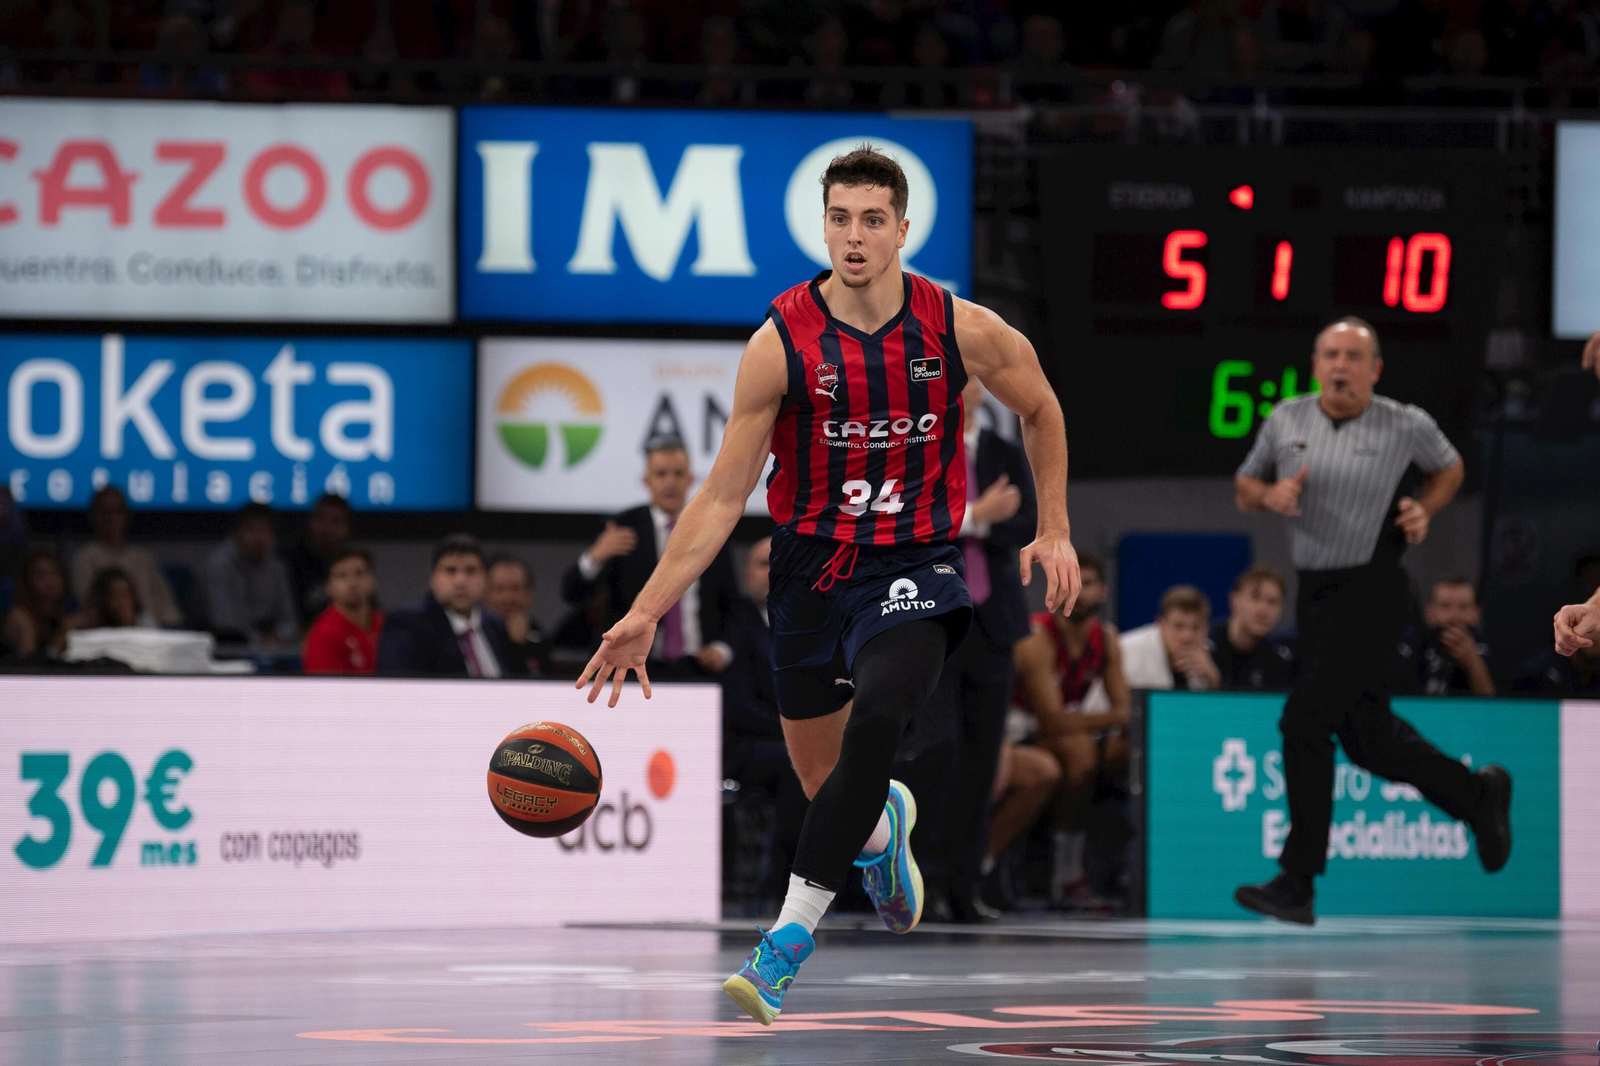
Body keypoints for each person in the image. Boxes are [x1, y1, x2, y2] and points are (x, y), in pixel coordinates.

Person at [574, 146, 1080, 1025]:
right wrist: (645, 610)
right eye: (840, 218)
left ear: (901, 230)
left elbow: (1041, 407)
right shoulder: (778, 343)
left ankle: (784, 945)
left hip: (915, 561)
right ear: (825, 226)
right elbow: (723, 497)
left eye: (872, 219)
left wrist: (1054, 526)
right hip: (809, 569)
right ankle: (884, 836)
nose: (855, 235)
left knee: (884, 712)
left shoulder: (960, 328)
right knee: (827, 781)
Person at [1232, 316, 1511, 926]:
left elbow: (1451, 469)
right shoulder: (1287, 419)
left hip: (1375, 588)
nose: (1341, 366)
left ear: (1375, 369)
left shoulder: (1403, 421)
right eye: (1330, 354)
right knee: (1370, 742)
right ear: (1314, 363)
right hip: (1315, 593)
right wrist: (1269, 496)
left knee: (1303, 721)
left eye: (1354, 357)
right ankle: (1477, 795)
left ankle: (1297, 881)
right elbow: (1244, 485)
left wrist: (1424, 508)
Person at [911, 377, 1037, 923]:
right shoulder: (916, 445)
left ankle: (965, 883)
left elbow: (1026, 521)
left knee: (984, 756)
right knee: (938, 747)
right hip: (934, 616)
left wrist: (971, 523)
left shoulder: (1007, 452)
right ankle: (926, 876)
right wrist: (978, 516)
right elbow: (911, 525)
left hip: (994, 622)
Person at [1012, 554, 1133, 908]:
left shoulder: (1106, 638)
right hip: (1018, 731)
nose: (1078, 591)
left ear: (1104, 591)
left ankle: (1102, 867)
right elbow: (1050, 720)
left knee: (1124, 751)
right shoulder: (1037, 637)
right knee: (1080, 750)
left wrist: (1112, 722)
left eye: (1087, 582)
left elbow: (1125, 712)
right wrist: (1109, 720)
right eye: (1069, 581)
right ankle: (1065, 875)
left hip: (1062, 734)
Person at [561, 438, 740, 676]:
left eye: (678, 474)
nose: (670, 482)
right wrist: (595, 556)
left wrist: (722, 648)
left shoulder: (711, 530)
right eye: (661, 474)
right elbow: (572, 593)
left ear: (691, 479)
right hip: (631, 667)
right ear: (647, 481)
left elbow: (732, 604)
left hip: (699, 669)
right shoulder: (622, 528)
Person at [720, 537, 808, 896]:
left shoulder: (804, 622)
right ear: (745, 574)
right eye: (762, 563)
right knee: (799, 765)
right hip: (745, 744)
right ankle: (783, 881)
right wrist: (797, 731)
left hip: (790, 737)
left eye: (778, 563)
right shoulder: (733, 624)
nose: (772, 573)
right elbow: (737, 705)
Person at [377, 535, 523, 678]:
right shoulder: (407, 625)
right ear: (433, 577)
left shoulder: (495, 625)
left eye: (471, 571)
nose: (461, 581)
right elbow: (398, 690)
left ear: (485, 578)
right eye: (450, 571)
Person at [71, 486, 182, 628]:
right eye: (105, 511)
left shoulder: (143, 558)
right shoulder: (85, 558)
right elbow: (87, 608)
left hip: (153, 633)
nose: (111, 518)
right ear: (94, 516)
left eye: (117, 511)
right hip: (108, 633)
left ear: (126, 515)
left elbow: (168, 609)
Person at [204, 503, 299, 645]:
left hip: (270, 645)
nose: (258, 537)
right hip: (225, 645)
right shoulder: (219, 565)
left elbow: (290, 621)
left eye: (265, 530)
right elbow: (224, 623)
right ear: (236, 533)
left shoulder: (277, 567)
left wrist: (277, 637)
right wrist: (259, 641)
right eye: (251, 530)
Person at [1392, 576, 1495, 697]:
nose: (1454, 616)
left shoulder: (1493, 648)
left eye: (1464, 607)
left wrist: (1473, 662)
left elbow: (1495, 705)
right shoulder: (1411, 645)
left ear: (1476, 613)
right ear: (1429, 612)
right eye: (1445, 606)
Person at [1118, 585, 1221, 691]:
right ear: (1160, 624)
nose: (1187, 636)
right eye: (1178, 626)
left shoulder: (1212, 653)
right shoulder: (1125, 651)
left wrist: (1212, 682)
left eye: (1196, 628)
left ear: (1207, 628)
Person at [1210, 566, 1296, 691]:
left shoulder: (1282, 659)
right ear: (1234, 600)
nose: (1263, 609)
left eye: (1272, 602)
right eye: (1255, 597)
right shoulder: (1204, 647)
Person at [302, 547, 384, 676]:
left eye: (359, 573)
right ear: (329, 587)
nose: (352, 583)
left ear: (372, 580)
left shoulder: (387, 625)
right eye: (342, 576)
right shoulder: (323, 635)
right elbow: (327, 691)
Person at [284, 494, 353, 627]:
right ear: (310, 522)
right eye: (320, 519)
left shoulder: (354, 565)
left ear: (347, 528)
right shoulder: (289, 564)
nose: (326, 529)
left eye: (335, 521)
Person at [485, 555, 552, 676]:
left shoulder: (540, 639)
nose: (507, 598)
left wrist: (521, 646)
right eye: (499, 589)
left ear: (529, 595)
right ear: (485, 594)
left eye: (515, 589)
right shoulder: (474, 637)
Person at [2, 547, 71, 660]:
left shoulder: (62, 614)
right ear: (27, 581)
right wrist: (60, 637)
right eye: (40, 575)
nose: (49, 581)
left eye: (54, 573)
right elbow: (30, 665)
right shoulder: (20, 617)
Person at [72, 568, 147, 630]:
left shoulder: (145, 621)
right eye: (115, 596)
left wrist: (129, 622)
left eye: (124, 595)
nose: (120, 602)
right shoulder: (89, 627)